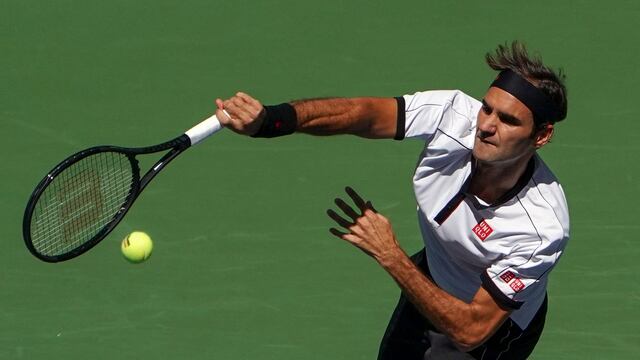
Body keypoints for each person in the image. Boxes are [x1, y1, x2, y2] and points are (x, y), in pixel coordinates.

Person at [215, 41, 569, 360]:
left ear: (541, 135)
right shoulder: (452, 115)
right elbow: (364, 114)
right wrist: (272, 121)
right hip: (429, 277)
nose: (487, 126)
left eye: (508, 120)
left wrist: (391, 255)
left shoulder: (539, 229)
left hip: (487, 332)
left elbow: (470, 331)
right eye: (487, 109)